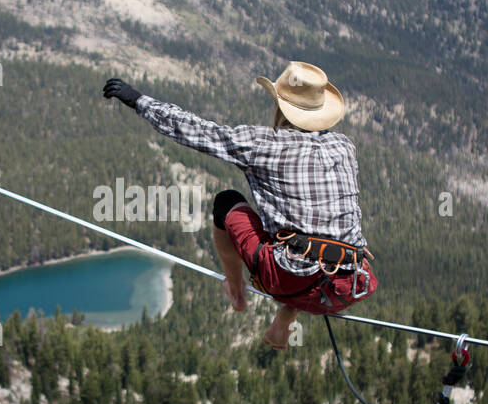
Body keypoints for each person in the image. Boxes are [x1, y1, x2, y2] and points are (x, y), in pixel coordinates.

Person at [101, 61, 376, 349]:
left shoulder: (264, 143)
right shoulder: (345, 146)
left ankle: (236, 291)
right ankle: (286, 314)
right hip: (348, 284)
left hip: (289, 279)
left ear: (280, 106)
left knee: (227, 202)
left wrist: (139, 101)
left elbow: (198, 132)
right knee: (305, 231)